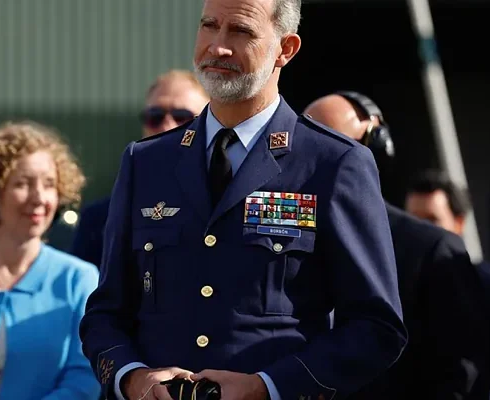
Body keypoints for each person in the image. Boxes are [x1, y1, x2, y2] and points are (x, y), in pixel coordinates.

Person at [79, 0, 408, 399]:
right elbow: (105, 313)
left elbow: (376, 327)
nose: (217, 47)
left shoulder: (333, 163)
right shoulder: (145, 161)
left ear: (285, 49)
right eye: (209, 26)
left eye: (241, 31)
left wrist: (268, 386)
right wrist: (131, 378)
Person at [304, 92, 490, 399]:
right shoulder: (282, 239)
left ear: (374, 150)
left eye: (332, 148)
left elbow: (462, 374)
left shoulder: (432, 249)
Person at [0, 121, 101, 400]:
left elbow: (84, 378)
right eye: (22, 183)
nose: (39, 198)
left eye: (49, 185)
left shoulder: (79, 279)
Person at [406, 170, 490, 400]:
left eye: (431, 220)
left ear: (459, 222)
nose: (419, 231)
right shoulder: (396, 289)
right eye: (411, 220)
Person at [70, 69, 209, 267]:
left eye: (182, 116)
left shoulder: (228, 205)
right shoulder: (102, 218)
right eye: (155, 116)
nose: (167, 126)